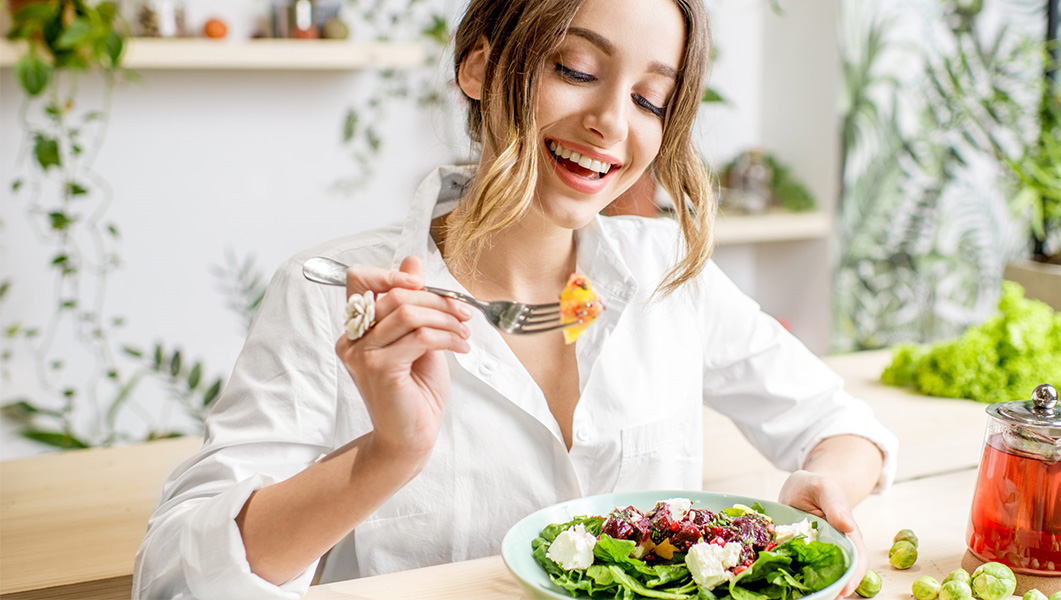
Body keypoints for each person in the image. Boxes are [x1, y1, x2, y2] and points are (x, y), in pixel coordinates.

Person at [134, 0, 898, 598]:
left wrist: (825, 488)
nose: (610, 122)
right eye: (573, 68)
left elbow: (839, 425)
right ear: (478, 68)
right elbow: (177, 577)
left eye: (650, 98)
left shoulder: (668, 271)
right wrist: (386, 454)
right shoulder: (333, 291)